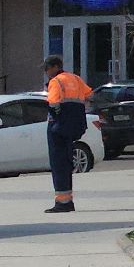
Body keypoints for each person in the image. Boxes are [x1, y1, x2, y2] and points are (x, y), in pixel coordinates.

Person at [43, 56, 92, 213]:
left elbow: (53, 103)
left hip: (58, 128)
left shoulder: (55, 82)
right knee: (66, 163)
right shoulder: (76, 79)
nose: (46, 72)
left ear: (55, 67)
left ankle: (62, 203)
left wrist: (57, 117)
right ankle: (68, 200)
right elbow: (90, 95)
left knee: (58, 165)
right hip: (74, 127)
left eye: (47, 69)